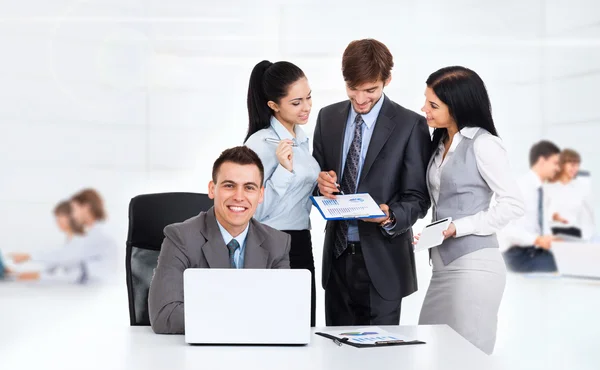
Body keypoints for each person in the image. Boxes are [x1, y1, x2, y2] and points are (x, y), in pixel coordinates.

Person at [313, 39, 431, 326]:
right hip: (337, 260)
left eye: (370, 90)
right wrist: (321, 184)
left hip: (384, 262)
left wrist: (390, 216)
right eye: (353, 89)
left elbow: (418, 197)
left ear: (387, 80)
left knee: (381, 359)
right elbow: (315, 179)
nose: (361, 99)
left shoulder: (410, 125)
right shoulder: (327, 118)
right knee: (336, 352)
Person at [416, 66, 525, 355]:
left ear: (458, 106)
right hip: (442, 267)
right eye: (426, 101)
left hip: (475, 267)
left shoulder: (485, 145)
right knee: (431, 351)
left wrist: (458, 228)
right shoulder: (439, 143)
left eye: (433, 105)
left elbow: (513, 204)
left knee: (468, 355)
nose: (423, 109)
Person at [148, 146, 291, 334]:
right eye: (229, 186)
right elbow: (165, 316)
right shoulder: (181, 238)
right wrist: (248, 316)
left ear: (261, 194)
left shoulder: (277, 244)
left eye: (249, 187)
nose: (239, 197)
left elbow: (285, 314)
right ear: (212, 189)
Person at [244, 60, 320, 327]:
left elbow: (298, 193)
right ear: (274, 105)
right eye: (296, 102)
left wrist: (322, 181)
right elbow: (254, 210)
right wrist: (284, 170)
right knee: (274, 327)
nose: (307, 107)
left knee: (303, 326)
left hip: (300, 240)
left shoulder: (301, 137)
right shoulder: (260, 144)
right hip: (271, 242)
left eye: (309, 97)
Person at [10, 197, 110, 282]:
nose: (57, 221)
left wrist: (31, 261)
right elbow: (55, 264)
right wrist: (19, 272)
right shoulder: (70, 240)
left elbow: (73, 273)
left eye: (59, 217)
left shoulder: (82, 240)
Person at [502, 140, 562, 272]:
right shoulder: (520, 188)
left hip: (537, 252)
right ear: (542, 161)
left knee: (570, 262)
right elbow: (506, 230)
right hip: (518, 255)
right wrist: (536, 239)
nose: (558, 168)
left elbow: (541, 226)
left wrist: (550, 239)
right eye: (555, 163)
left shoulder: (542, 190)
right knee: (561, 268)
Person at [547, 149, 596, 240]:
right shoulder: (549, 188)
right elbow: (540, 215)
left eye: (577, 165)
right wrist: (553, 217)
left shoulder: (582, 188)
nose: (575, 169)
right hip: (553, 234)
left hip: (575, 234)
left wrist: (587, 238)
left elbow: (589, 216)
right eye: (572, 165)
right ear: (562, 165)